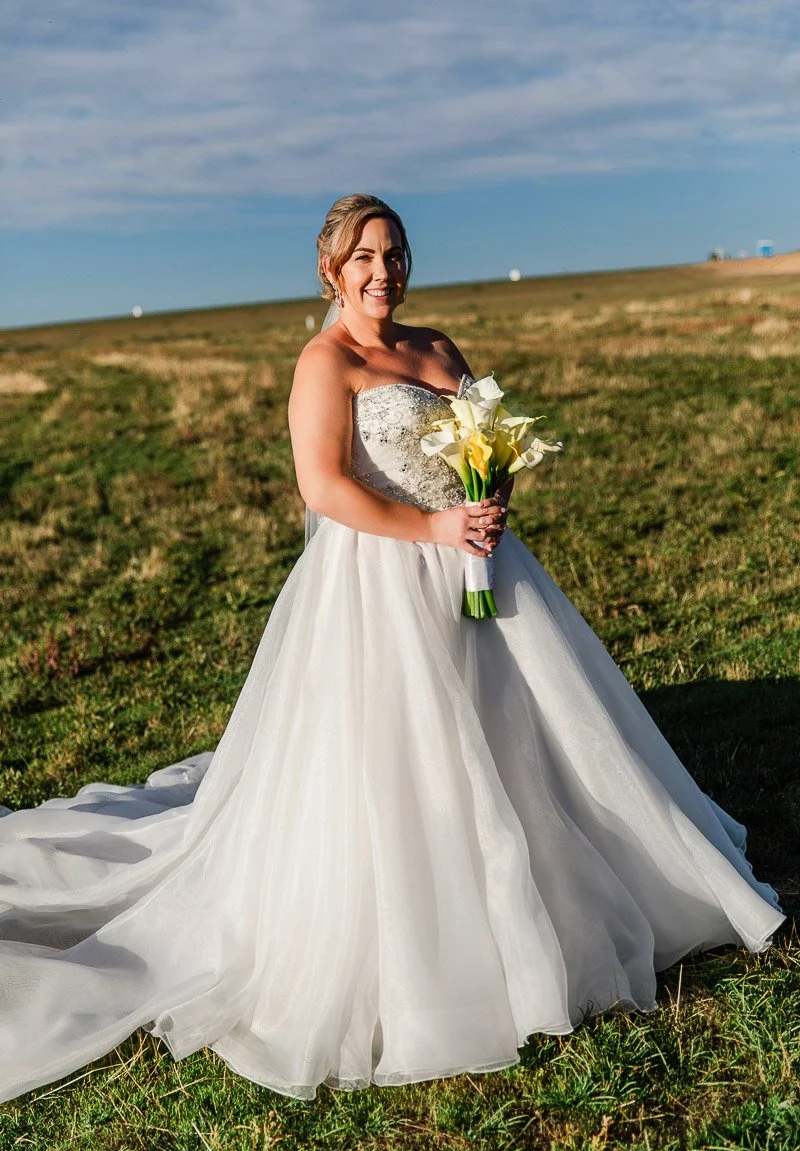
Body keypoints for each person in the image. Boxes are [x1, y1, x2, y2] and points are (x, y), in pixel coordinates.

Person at [0, 194, 785, 1105]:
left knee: (529, 733)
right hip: (380, 579)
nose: (384, 270)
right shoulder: (323, 361)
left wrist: (489, 504)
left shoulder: (438, 346)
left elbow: (484, 444)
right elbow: (325, 487)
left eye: (396, 253)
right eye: (365, 257)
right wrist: (434, 527)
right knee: (404, 754)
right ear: (332, 270)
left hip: (481, 563)